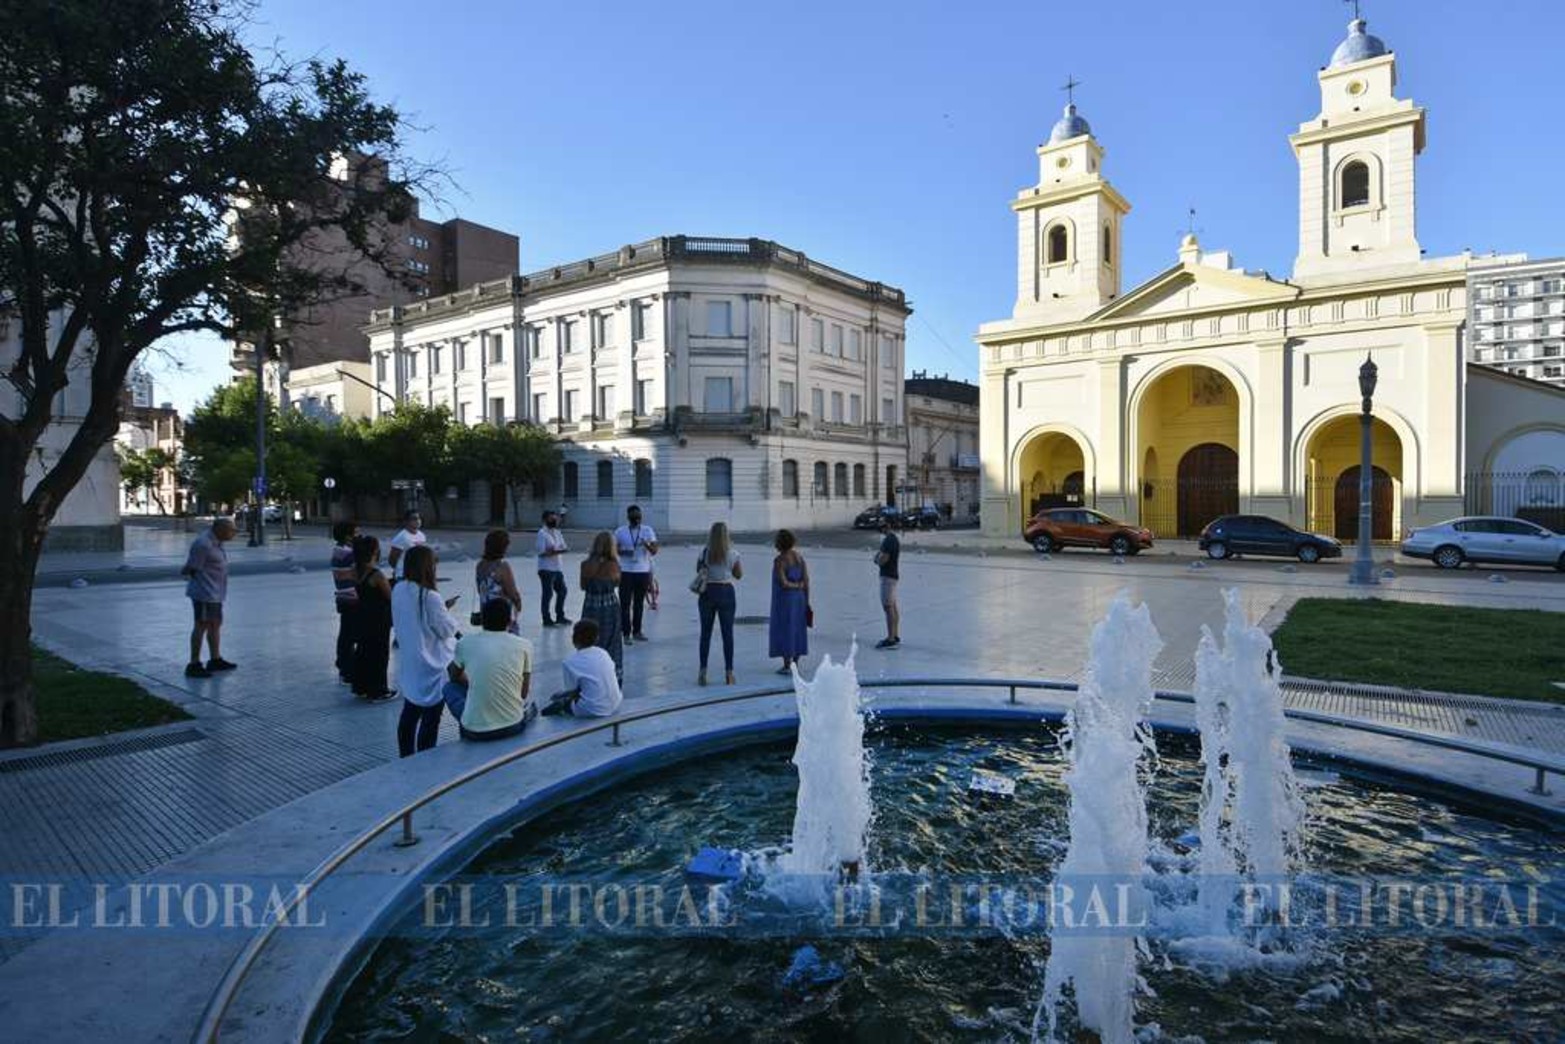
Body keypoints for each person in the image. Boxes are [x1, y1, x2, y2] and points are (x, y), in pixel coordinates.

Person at [391, 544, 461, 756]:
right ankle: (425, 757)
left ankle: (405, 755)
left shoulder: (399, 589)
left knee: (410, 710)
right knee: (431, 716)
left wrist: (441, 609)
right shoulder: (429, 596)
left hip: (411, 660)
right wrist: (447, 614)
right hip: (432, 664)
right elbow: (446, 630)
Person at [443, 599, 536, 740]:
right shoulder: (525, 645)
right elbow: (522, 693)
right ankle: (524, 713)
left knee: (449, 688)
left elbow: (454, 677)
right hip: (513, 726)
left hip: (474, 732)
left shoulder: (465, 643)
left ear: (482, 620)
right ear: (509, 622)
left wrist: (473, 685)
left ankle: (475, 715)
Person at [181, 516, 238, 678]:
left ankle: (215, 659)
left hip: (215, 593)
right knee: (201, 625)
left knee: (214, 625)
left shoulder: (216, 543)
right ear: (220, 529)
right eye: (231, 530)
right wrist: (198, 582)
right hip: (205, 594)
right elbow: (191, 567)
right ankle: (194, 663)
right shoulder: (203, 544)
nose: (233, 534)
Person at [543, 620, 624, 718]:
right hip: (616, 703)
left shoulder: (569, 662)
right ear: (596, 638)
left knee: (562, 703)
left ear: (574, 639)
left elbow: (571, 690)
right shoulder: (603, 653)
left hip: (593, 709)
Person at [695, 521, 743, 686]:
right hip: (726, 592)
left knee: (705, 634)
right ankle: (729, 673)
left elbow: (698, 571)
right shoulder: (733, 554)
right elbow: (739, 575)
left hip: (707, 592)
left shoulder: (705, 552)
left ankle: (703, 672)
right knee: (727, 634)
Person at [350, 535, 397, 702]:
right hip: (379, 618)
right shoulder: (376, 574)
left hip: (363, 615)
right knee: (379, 654)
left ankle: (361, 686)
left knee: (363, 650)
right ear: (374, 551)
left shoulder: (356, 570)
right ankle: (378, 690)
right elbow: (390, 596)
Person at [578, 531, 624, 683]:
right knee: (612, 642)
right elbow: (617, 584)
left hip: (591, 605)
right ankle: (611, 677)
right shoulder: (614, 566)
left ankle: (590, 675)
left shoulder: (585, 565)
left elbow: (583, 586)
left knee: (589, 640)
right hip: (610, 606)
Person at [613, 504, 658, 643]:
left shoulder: (647, 530)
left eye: (638, 516)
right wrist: (625, 552)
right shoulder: (620, 531)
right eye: (633, 517)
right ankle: (626, 634)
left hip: (642, 572)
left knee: (639, 604)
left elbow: (655, 551)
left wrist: (646, 545)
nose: (636, 519)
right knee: (625, 604)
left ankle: (637, 631)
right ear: (628, 517)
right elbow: (613, 550)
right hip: (625, 572)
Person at [768, 529, 810, 674]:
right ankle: (796, 663)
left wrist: (795, 586)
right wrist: (806, 600)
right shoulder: (799, 558)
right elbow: (806, 580)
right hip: (799, 599)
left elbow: (783, 582)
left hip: (785, 600)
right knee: (798, 628)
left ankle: (787, 664)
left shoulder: (780, 560)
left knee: (784, 629)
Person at [475, 529, 523, 634]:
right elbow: (512, 591)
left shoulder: (480, 565)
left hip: (486, 611)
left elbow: (480, 589)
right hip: (502, 612)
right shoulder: (502, 566)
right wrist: (518, 603)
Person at [330, 521, 360, 682]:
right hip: (352, 596)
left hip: (343, 596)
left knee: (346, 634)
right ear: (348, 536)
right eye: (356, 533)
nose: (358, 536)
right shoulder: (349, 553)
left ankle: (344, 664)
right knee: (350, 635)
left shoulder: (338, 550)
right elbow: (358, 573)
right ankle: (347, 668)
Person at [535, 510, 570, 627]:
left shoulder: (558, 533)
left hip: (557, 568)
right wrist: (556, 551)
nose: (554, 520)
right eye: (551, 518)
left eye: (555, 518)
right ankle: (546, 618)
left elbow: (563, 546)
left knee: (562, 591)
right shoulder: (542, 533)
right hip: (546, 569)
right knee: (548, 594)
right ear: (545, 520)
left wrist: (557, 550)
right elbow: (541, 552)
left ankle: (560, 616)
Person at [874, 517, 901, 649]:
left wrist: (876, 560)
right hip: (893, 576)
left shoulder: (889, 540)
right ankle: (895, 635)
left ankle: (890, 639)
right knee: (893, 606)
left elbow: (883, 559)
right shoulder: (894, 539)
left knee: (888, 607)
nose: (881, 529)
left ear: (888, 526)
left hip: (887, 577)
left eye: (883, 526)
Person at [387, 508, 426, 581]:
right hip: (403, 575)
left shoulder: (422, 536)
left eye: (419, 518)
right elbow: (392, 559)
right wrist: (399, 569)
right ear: (407, 521)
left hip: (417, 574)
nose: (418, 521)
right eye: (414, 519)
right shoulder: (401, 537)